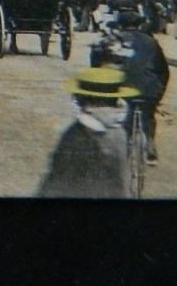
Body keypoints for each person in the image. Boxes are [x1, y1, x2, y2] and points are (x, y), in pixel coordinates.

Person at [37, 67, 139, 198]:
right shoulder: (74, 142)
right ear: (90, 107)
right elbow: (56, 186)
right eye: (112, 103)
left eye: (119, 103)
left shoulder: (116, 134)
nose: (119, 110)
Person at [103, 9, 170, 162]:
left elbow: (99, 66)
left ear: (120, 25)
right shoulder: (151, 41)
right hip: (149, 89)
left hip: (121, 89)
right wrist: (159, 93)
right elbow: (163, 70)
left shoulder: (112, 40)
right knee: (148, 114)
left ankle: (118, 149)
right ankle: (150, 143)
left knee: (120, 116)